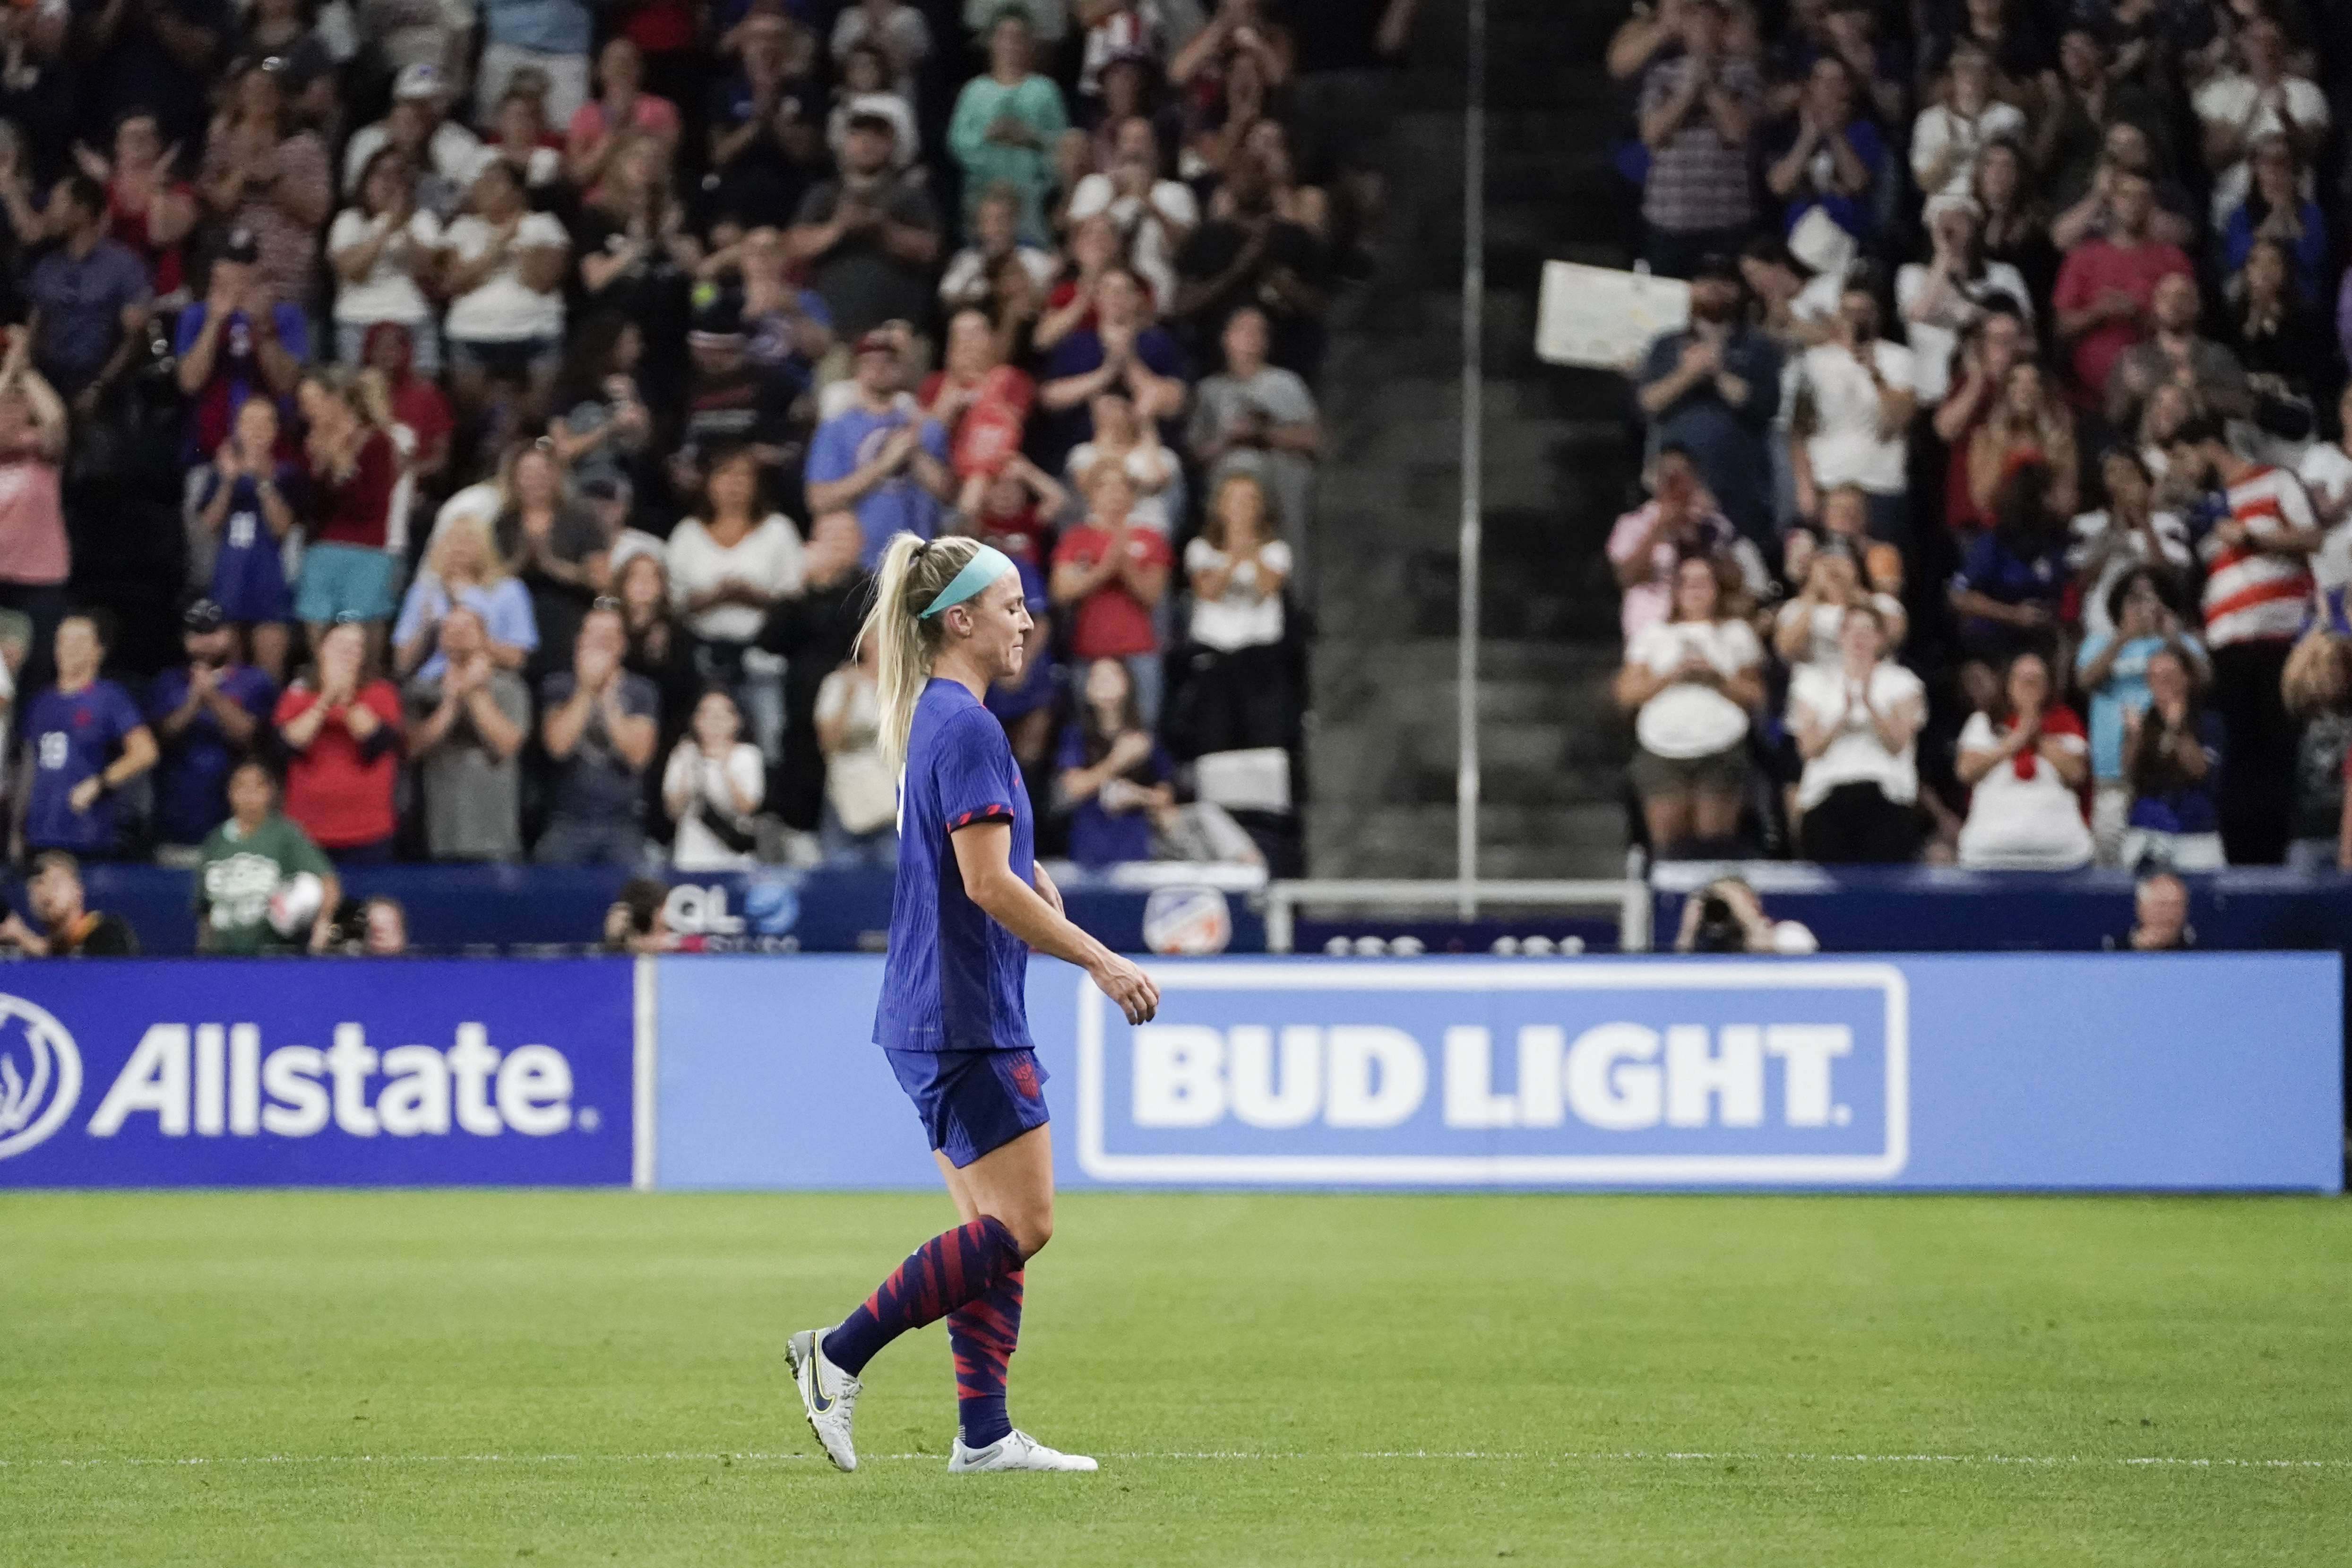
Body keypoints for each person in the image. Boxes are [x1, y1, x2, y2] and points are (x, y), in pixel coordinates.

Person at [784, 532, 1156, 1476]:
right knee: (1024, 1225)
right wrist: (1103, 962)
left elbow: (979, 862)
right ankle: (838, 1353)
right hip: (963, 1013)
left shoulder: (937, 719)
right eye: (1010, 605)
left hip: (930, 1009)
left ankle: (983, 1437)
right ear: (961, 620)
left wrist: (1024, 867)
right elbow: (986, 886)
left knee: (991, 1235)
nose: (1026, 619)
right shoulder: (969, 727)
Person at [2165, 415, 2320, 865]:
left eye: (2182, 457)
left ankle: (2275, 862)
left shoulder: (2275, 481)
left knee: (2276, 756)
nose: (2180, 470)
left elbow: (2311, 537)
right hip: (2226, 647)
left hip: (2276, 640)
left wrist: (2251, 537)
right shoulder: (2201, 514)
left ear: (2208, 445)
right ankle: (2239, 864)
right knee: (2234, 761)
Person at [1616, 554, 1764, 857]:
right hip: (1663, 749)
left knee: (1714, 848)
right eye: (1687, 583)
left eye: (1703, 582)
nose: (1695, 590)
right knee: (1669, 850)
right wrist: (1671, 675)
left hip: (1721, 748)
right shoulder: (1653, 635)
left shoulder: (1736, 634)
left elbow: (1755, 695)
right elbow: (1627, 694)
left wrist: (1715, 676)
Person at [1634, 252, 1782, 545]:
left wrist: (1718, 373)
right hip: (1674, 483)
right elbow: (1647, 403)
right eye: (1704, 281)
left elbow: (1766, 406)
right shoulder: (1666, 344)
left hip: (1739, 484)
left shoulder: (1759, 347)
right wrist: (1688, 374)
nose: (1713, 288)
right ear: (1691, 288)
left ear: (1739, 291)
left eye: (1723, 282)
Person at [2075, 567, 2210, 867]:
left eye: (2152, 597)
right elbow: (2086, 681)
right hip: (2112, 775)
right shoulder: (2100, 643)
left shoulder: (2180, 644)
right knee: (2110, 864)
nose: (2144, 606)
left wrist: (2171, 634)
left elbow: (2204, 679)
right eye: (2134, 599)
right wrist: (2124, 636)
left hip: (2169, 777)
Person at [1185, 306, 1320, 581]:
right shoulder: (1209, 390)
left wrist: (1264, 433)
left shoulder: (1285, 383)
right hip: (1228, 493)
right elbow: (1195, 453)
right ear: (1226, 338)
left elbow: (1314, 440)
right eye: (1243, 330)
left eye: (1259, 331)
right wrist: (1228, 437)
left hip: (1282, 488)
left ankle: (1294, 608)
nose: (1251, 338)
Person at [784, 108, 941, 342]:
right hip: (832, 335)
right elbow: (793, 247)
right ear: (844, 144)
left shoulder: (910, 195)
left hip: (898, 334)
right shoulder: (824, 194)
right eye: (858, 136)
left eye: (877, 137)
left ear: (891, 146)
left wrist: (883, 228)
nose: (867, 143)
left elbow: (930, 251)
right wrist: (840, 226)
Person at [1632, 0, 1761, 279]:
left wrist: (1711, 85)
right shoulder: (1661, 73)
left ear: (1720, 26)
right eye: (1692, 19)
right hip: (1669, 219)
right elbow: (1652, 135)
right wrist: (1688, 91)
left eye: (1708, 19)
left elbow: (1738, 132)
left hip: (1728, 218)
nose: (1700, 27)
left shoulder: (1743, 74)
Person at [1789, 603, 1925, 864]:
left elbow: (1898, 743)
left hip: (1887, 793)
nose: (1859, 638)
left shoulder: (1903, 682)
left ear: (1880, 638)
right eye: (1852, 630)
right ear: (1841, 637)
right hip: (1826, 795)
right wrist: (1843, 713)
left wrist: (1871, 705)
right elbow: (1810, 748)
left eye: (1867, 631)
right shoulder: (1813, 682)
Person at [439, 158, 572, 421]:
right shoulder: (462, 228)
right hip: (473, 332)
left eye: (494, 183)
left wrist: (487, 263)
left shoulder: (544, 225)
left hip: (536, 333)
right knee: (473, 417)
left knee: (537, 416)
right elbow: (455, 282)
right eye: (481, 183)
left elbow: (541, 282)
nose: (483, 190)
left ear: (517, 191)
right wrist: (501, 245)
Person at [805, 332, 955, 566]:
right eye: (869, 362)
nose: (879, 369)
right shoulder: (836, 429)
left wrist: (914, 452)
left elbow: (949, 494)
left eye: (888, 362)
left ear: (902, 369)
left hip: (920, 562)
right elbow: (819, 499)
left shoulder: (925, 427)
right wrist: (884, 464)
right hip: (859, 565)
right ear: (856, 370)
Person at [2050, 169, 2191, 412]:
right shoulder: (2083, 256)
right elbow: (2061, 327)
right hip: (2087, 398)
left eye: (2141, 197)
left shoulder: (2172, 259)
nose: (2133, 204)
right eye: (2125, 195)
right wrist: (2099, 312)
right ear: (2112, 201)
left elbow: (2189, 325)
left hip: (2158, 396)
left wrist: (2137, 314)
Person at [20, 613, 156, 861]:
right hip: (39, 832)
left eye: (80, 641)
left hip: (87, 832)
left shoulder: (109, 697)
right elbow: (30, 765)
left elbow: (145, 751)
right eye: (63, 640)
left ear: (98, 651)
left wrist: (99, 783)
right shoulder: (41, 702)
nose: (70, 648)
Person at [1790, 278, 1916, 543]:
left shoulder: (1899, 359)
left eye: (1863, 312)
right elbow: (1798, 429)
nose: (1855, 319)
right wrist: (1804, 485)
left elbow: (1899, 421)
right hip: (1828, 482)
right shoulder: (1813, 361)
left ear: (1877, 316)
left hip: (1881, 484)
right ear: (1838, 314)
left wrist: (1875, 374)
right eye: (1848, 311)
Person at [1177, 471, 1292, 758]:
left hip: (1260, 653)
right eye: (1234, 500)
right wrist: (1233, 555)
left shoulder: (1276, 549)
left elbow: (1269, 587)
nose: (1241, 508)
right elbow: (1209, 591)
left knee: (1264, 735)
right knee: (1215, 734)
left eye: (1249, 500)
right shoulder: (1200, 549)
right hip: (1215, 652)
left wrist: (1250, 549)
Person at [1050, 462, 1173, 728]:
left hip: (1140, 651)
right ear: (1092, 494)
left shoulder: (1151, 538)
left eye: (1121, 487)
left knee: (1145, 729)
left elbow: (1152, 597)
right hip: (1089, 651)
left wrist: (1125, 564)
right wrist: (1106, 569)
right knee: (1090, 733)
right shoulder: (1076, 539)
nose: (1114, 494)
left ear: (1132, 496)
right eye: (1106, 487)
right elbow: (1061, 592)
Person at [148, 598, 276, 851]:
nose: (205, 640)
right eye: (197, 633)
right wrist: (194, 703)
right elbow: (158, 739)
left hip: (240, 824)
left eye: (213, 632)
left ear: (230, 634)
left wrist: (213, 698)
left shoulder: (255, 681)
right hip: (178, 823)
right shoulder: (168, 683)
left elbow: (255, 739)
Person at [536, 603, 660, 864]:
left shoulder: (642, 691)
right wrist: (585, 689)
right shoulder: (558, 686)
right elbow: (558, 746)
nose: (602, 642)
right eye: (594, 634)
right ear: (580, 641)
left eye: (610, 635)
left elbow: (637, 757)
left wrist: (608, 698)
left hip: (624, 823)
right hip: (567, 820)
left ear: (623, 645)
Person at [405, 604, 530, 861]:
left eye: (467, 627)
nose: (457, 633)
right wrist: (450, 702)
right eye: (450, 628)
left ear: (484, 636)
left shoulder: (511, 688)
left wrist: (475, 693)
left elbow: (506, 745)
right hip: (439, 834)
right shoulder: (421, 691)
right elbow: (413, 748)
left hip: (496, 836)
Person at [274, 620, 404, 864]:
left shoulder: (381, 694)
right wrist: (325, 701)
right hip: (307, 831)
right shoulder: (296, 696)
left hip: (369, 831)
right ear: (321, 650)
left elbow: (377, 743)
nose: (348, 652)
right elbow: (287, 746)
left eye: (356, 647)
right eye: (341, 645)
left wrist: (346, 700)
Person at [1953, 651, 2094, 870]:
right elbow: (1966, 770)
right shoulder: (1982, 722)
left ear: (2048, 687)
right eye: (2022, 678)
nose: (2029, 684)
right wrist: (2015, 740)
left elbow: (2076, 774)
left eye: (2037, 679)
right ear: (2008, 685)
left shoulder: (2066, 723)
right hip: (1989, 856)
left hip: (2060, 858)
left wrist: (2038, 738)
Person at [191, 395, 297, 683]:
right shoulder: (220, 473)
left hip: (269, 581)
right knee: (230, 676)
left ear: (275, 430)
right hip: (229, 580)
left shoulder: (286, 473)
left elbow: (282, 529)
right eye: (249, 422)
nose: (256, 430)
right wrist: (229, 480)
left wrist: (263, 481)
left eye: (265, 423)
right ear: (237, 428)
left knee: (270, 677)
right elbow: (210, 524)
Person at [26, 173, 153, 408]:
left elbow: (134, 338)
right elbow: (34, 328)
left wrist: (99, 387)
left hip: (103, 390)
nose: (50, 212)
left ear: (82, 211)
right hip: (47, 386)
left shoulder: (124, 266)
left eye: (57, 203)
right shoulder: (47, 266)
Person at [294, 370, 401, 646]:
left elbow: (367, 506)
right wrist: (318, 466)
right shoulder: (311, 443)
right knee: (318, 625)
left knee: (360, 634)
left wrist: (343, 463)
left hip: (366, 548)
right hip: (322, 547)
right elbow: (310, 509)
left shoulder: (377, 444)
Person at [192, 759, 338, 954]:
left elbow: (327, 883)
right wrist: (202, 955)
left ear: (270, 791)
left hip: (271, 956)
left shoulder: (285, 834)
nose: (249, 793)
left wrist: (322, 927)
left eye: (257, 786)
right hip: (222, 957)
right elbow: (206, 912)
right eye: (241, 785)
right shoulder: (215, 841)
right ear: (229, 791)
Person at [947, 9, 1068, 242]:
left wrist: (1032, 137)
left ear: (1030, 44)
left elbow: (1063, 146)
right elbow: (958, 142)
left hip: (1032, 198)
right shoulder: (974, 91)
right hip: (983, 195)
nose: (1011, 44)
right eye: (1003, 36)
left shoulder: (1045, 91)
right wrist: (989, 135)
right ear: (991, 42)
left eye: (1019, 37)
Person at [328, 148, 445, 377]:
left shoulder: (423, 221)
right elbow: (350, 270)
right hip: (358, 319)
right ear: (366, 181)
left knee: (421, 391)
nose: (388, 184)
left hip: (412, 318)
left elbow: (426, 270)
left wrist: (402, 226)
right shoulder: (348, 221)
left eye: (396, 177)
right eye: (381, 176)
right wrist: (386, 227)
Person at [2117, 646, 2226, 872]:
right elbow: (2129, 772)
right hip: (2147, 830)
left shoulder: (2208, 722)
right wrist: (2134, 737)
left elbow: (2199, 770)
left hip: (2195, 833)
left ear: (2186, 678)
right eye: (2155, 677)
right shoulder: (2143, 723)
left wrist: (2177, 729)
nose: (2162, 682)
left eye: (2169, 675)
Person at [393, 511, 537, 683]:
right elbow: (401, 663)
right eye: (451, 540)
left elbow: (516, 659)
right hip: (432, 681)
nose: (458, 548)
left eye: (467, 541)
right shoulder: (424, 592)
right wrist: (426, 631)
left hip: (489, 679)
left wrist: (476, 641)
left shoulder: (509, 590)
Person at [814, 634, 896, 868]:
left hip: (894, 796)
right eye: (873, 637)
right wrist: (848, 697)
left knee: (896, 878)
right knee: (842, 874)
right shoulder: (838, 683)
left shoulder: (913, 684)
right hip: (846, 793)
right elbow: (828, 744)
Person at [663, 688, 765, 870]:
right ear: (696, 721)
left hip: (734, 856)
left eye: (722, 716)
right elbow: (673, 810)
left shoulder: (748, 755)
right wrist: (691, 768)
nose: (715, 722)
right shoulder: (684, 754)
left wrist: (725, 767)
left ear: (736, 721)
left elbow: (748, 806)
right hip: (692, 857)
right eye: (707, 715)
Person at [0, 850, 139, 955]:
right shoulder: (24, 951)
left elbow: (91, 980)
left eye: (56, 882)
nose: (46, 891)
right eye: (38, 884)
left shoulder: (107, 932)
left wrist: (29, 941)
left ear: (78, 891)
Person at [1672, 875, 1819, 955]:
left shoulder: (1790, 933)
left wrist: (1751, 924)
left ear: (1754, 903)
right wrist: (1688, 933)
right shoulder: (1706, 946)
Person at [2122, 870, 2193, 951]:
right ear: (2142, 908)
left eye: (2176, 906)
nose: (2169, 915)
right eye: (2162, 906)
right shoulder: (2117, 949)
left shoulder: (2199, 949)